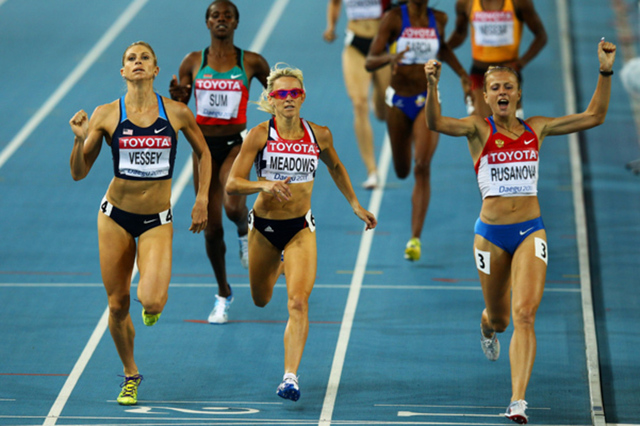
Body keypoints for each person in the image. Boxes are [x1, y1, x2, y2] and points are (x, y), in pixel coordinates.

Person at [424, 39, 616, 423]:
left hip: (531, 231)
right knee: (501, 319)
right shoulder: (478, 130)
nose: (502, 92)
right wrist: (432, 86)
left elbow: (594, 116)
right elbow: (436, 123)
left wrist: (605, 69)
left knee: (525, 313)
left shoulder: (538, 128)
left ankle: (517, 400)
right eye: (494, 88)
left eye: (508, 87)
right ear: (486, 96)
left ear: (518, 93)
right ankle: (486, 324)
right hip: (490, 235)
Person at [69, 41, 212, 406]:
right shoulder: (105, 114)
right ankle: (131, 373)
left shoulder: (176, 112)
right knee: (117, 305)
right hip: (114, 217)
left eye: (143, 58)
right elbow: (78, 173)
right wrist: (78, 140)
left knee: (152, 301)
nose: (137, 63)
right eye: (130, 59)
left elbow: (204, 152)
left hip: (156, 221)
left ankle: (150, 306)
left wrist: (201, 198)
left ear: (155, 70)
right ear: (122, 71)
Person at [226, 63, 377, 402]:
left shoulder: (318, 134)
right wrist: (263, 184)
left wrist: (355, 204)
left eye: (294, 92)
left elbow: (336, 167)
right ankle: (279, 266)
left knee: (297, 302)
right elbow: (233, 183)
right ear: (271, 99)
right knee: (261, 299)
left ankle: (290, 377)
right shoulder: (259, 135)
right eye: (281, 93)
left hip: (299, 229)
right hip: (264, 228)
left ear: (303, 97)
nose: (288, 98)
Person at [169, 0, 270, 324]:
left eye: (228, 15)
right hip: (203, 148)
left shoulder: (251, 62)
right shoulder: (193, 61)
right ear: (208, 23)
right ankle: (223, 294)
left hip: (234, 145)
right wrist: (178, 97)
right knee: (211, 229)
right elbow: (179, 103)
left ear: (236, 22)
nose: (221, 19)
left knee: (232, 204)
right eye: (215, 15)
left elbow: (278, 94)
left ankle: (244, 230)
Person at [365, 0, 470, 261]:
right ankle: (410, 136)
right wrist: (391, 57)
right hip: (398, 101)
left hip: (427, 99)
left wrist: (462, 74)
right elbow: (369, 61)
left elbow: (442, 48)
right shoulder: (393, 19)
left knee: (422, 166)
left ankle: (415, 239)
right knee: (402, 171)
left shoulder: (440, 19)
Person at [323, 0, 392, 189]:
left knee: (384, 108)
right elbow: (335, 3)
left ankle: (378, 101)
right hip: (355, 43)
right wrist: (331, 26)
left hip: (381, 43)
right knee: (359, 104)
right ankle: (372, 170)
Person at [446, 0, 547, 118]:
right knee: (483, 130)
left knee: (509, 132)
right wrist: (440, 50)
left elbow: (541, 36)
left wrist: (520, 63)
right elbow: (459, 34)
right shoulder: (466, 3)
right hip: (480, 75)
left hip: (509, 75)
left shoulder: (519, 3)